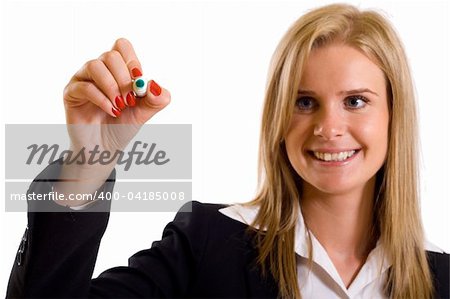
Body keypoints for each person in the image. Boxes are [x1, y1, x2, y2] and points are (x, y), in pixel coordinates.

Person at [6, 3, 449, 299]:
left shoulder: (442, 280)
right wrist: (90, 160)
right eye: (304, 101)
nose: (329, 127)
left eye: (355, 101)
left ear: (396, 116)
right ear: (278, 117)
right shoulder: (207, 244)